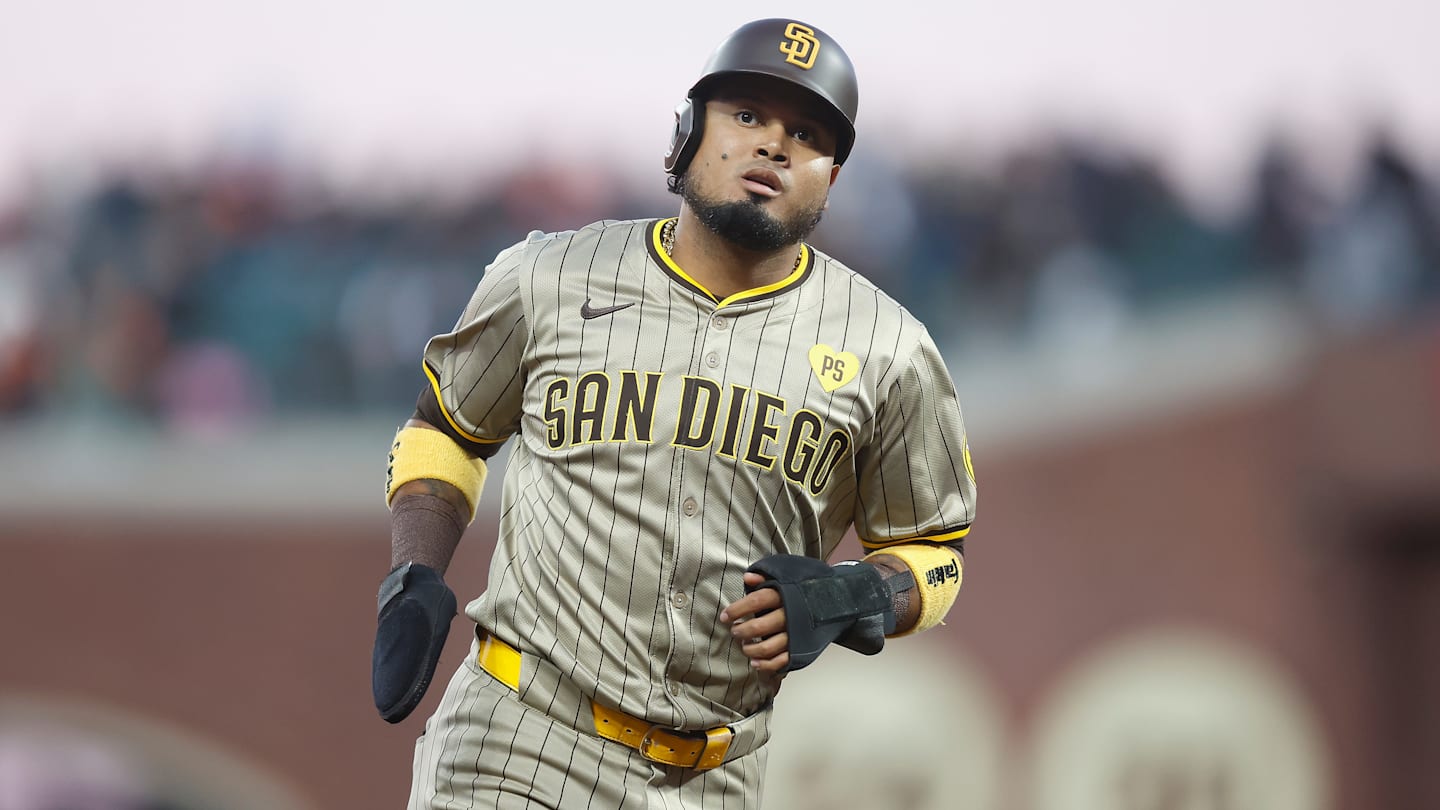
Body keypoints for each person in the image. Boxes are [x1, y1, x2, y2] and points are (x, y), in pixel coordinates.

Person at [372, 17, 978, 809]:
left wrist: (855, 597)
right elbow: (447, 429)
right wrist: (415, 569)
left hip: (717, 776)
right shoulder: (547, 278)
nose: (773, 145)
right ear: (688, 133)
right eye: (747, 115)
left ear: (830, 179)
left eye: (806, 134)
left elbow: (936, 552)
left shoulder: (889, 349)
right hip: (520, 736)